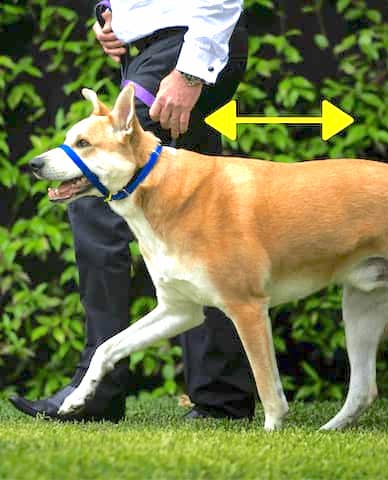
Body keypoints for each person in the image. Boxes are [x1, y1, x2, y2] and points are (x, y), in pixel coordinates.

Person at [11, 0, 255, 422]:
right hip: (154, 53)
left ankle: (96, 390)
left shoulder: (188, 59)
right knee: (202, 219)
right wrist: (108, 15)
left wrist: (190, 70)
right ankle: (222, 397)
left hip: (185, 50)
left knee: (93, 191)